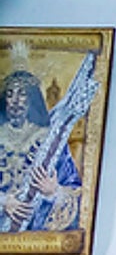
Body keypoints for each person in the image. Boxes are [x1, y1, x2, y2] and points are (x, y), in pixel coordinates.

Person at [0, 65, 83, 232]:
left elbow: (75, 193)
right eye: (10, 95)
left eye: (22, 94)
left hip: (37, 237)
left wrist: (54, 192)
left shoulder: (49, 141)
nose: (15, 101)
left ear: (32, 99)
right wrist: (3, 202)